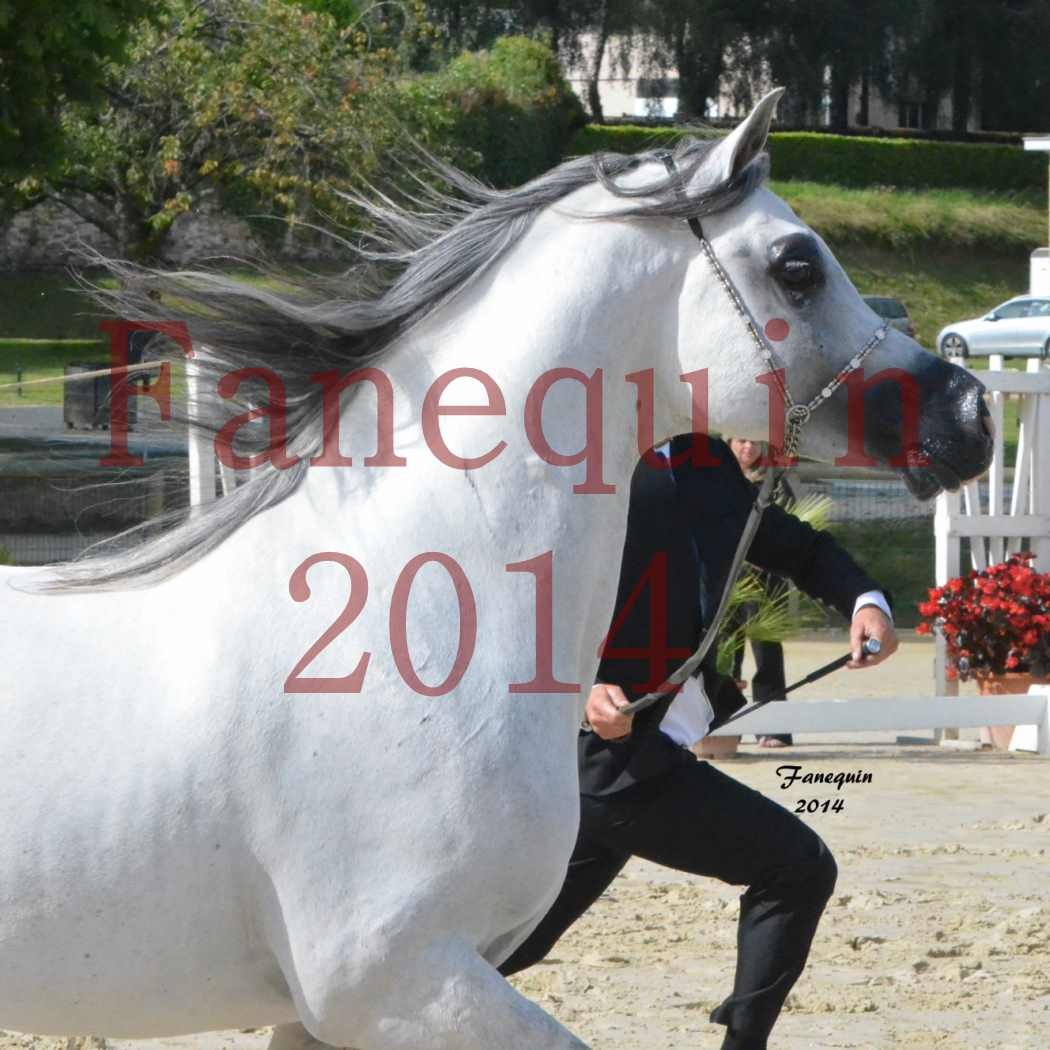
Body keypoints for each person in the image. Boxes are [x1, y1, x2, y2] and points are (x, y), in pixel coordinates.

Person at [500, 434, 898, 1050]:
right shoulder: (580, 461)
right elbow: (519, 587)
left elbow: (795, 546)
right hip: (608, 758)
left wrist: (865, 601)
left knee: (510, 943)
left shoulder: (701, 460)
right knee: (797, 867)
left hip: (633, 757)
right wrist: (578, 684)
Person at [724, 436, 797, 749]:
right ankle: (723, 728)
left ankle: (773, 729)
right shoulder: (714, 479)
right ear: (728, 442)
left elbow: (791, 524)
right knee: (726, 654)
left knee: (767, 653)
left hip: (765, 579)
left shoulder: (775, 482)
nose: (748, 448)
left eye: (754, 443)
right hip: (724, 579)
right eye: (741, 441)